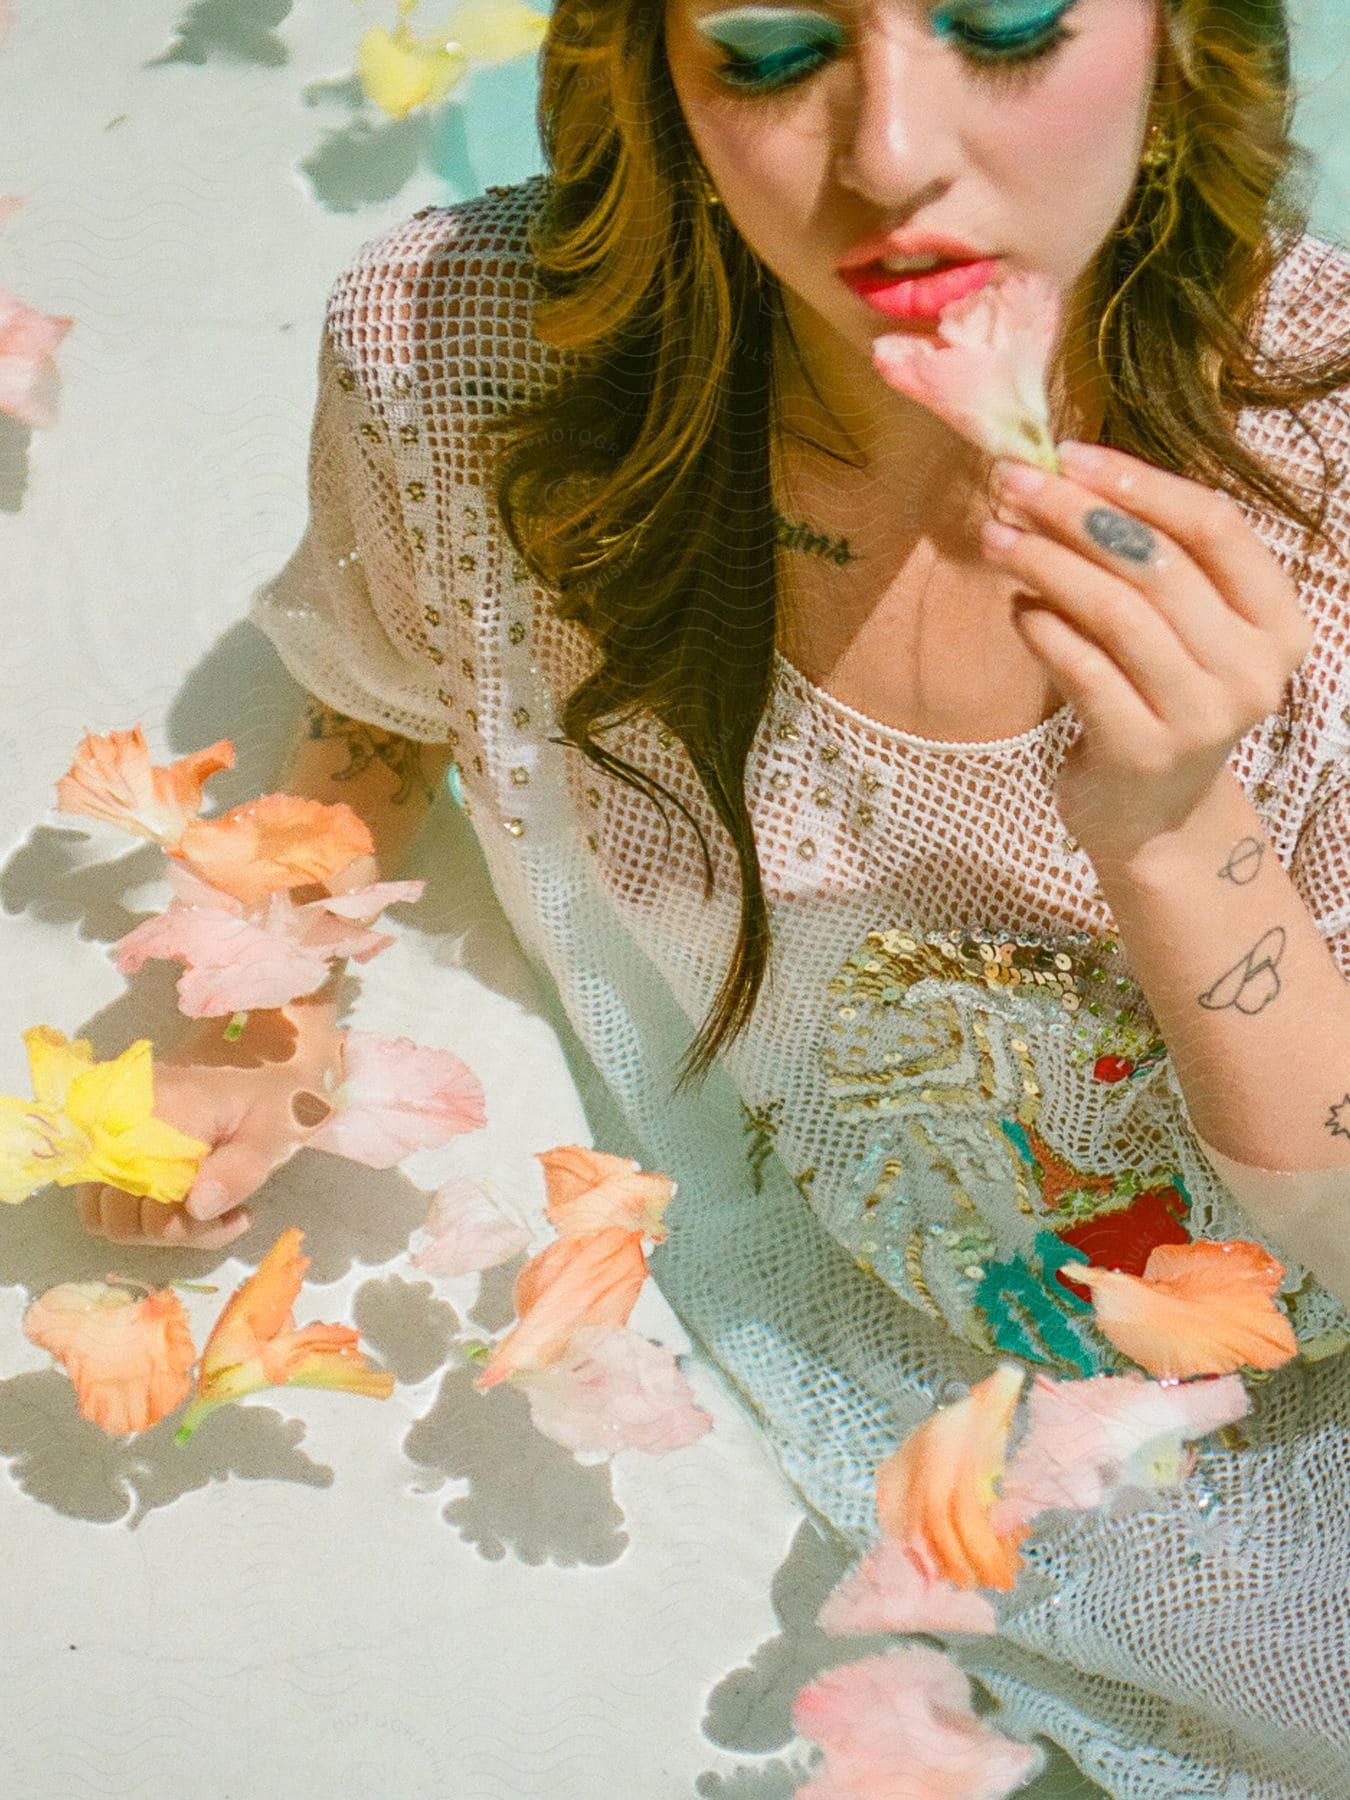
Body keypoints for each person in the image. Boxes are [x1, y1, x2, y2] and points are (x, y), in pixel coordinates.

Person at [73, 0, 1350, 1790]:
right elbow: (392, 676)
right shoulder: (468, 353)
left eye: (1000, 23)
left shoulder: (1332, 460)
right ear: (652, 76)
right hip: (861, 1283)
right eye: (765, 51)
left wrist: (1174, 832)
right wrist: (268, 1001)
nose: (890, 150)